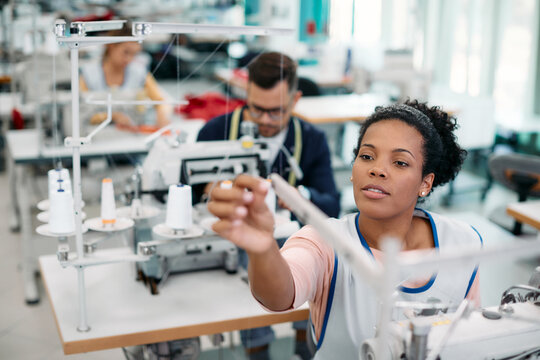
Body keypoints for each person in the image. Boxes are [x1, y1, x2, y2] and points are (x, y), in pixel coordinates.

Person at [207, 100, 482, 359]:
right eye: (367, 156)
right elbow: (280, 296)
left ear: (426, 182)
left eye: (399, 162)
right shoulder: (323, 240)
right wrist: (264, 248)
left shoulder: (462, 242)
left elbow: (470, 339)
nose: (377, 169)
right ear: (353, 169)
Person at [196, 52, 341, 359]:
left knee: (314, 260)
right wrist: (213, 193)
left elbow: (331, 204)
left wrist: (293, 194)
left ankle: (307, 342)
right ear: (245, 94)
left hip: (291, 238)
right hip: (236, 246)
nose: (264, 121)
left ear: (296, 99)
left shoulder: (311, 139)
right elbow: (193, 195)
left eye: (275, 112)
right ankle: (257, 349)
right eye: (256, 109)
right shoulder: (214, 132)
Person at [79, 25, 171, 131]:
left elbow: (161, 102)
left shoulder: (138, 73)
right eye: (126, 52)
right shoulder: (88, 75)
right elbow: (81, 113)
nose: (129, 59)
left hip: (132, 136)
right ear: (111, 46)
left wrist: (162, 116)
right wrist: (113, 116)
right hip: (96, 137)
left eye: (134, 54)